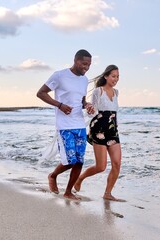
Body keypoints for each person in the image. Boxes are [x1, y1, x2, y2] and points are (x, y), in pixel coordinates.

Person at [36, 49, 94, 200]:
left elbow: (81, 101)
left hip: (79, 124)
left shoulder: (84, 80)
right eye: (84, 64)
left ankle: (68, 192)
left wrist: (87, 105)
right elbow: (41, 93)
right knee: (69, 160)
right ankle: (53, 176)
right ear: (76, 61)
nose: (86, 67)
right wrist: (59, 105)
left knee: (79, 161)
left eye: (89, 65)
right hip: (64, 125)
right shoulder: (59, 75)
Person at [74, 64, 124, 201]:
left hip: (113, 131)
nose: (116, 79)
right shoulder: (98, 91)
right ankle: (80, 178)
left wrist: (115, 127)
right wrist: (90, 109)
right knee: (101, 167)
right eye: (113, 76)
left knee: (117, 163)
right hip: (99, 130)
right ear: (106, 76)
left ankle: (107, 194)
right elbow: (93, 113)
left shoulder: (116, 92)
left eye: (118, 76)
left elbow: (114, 113)